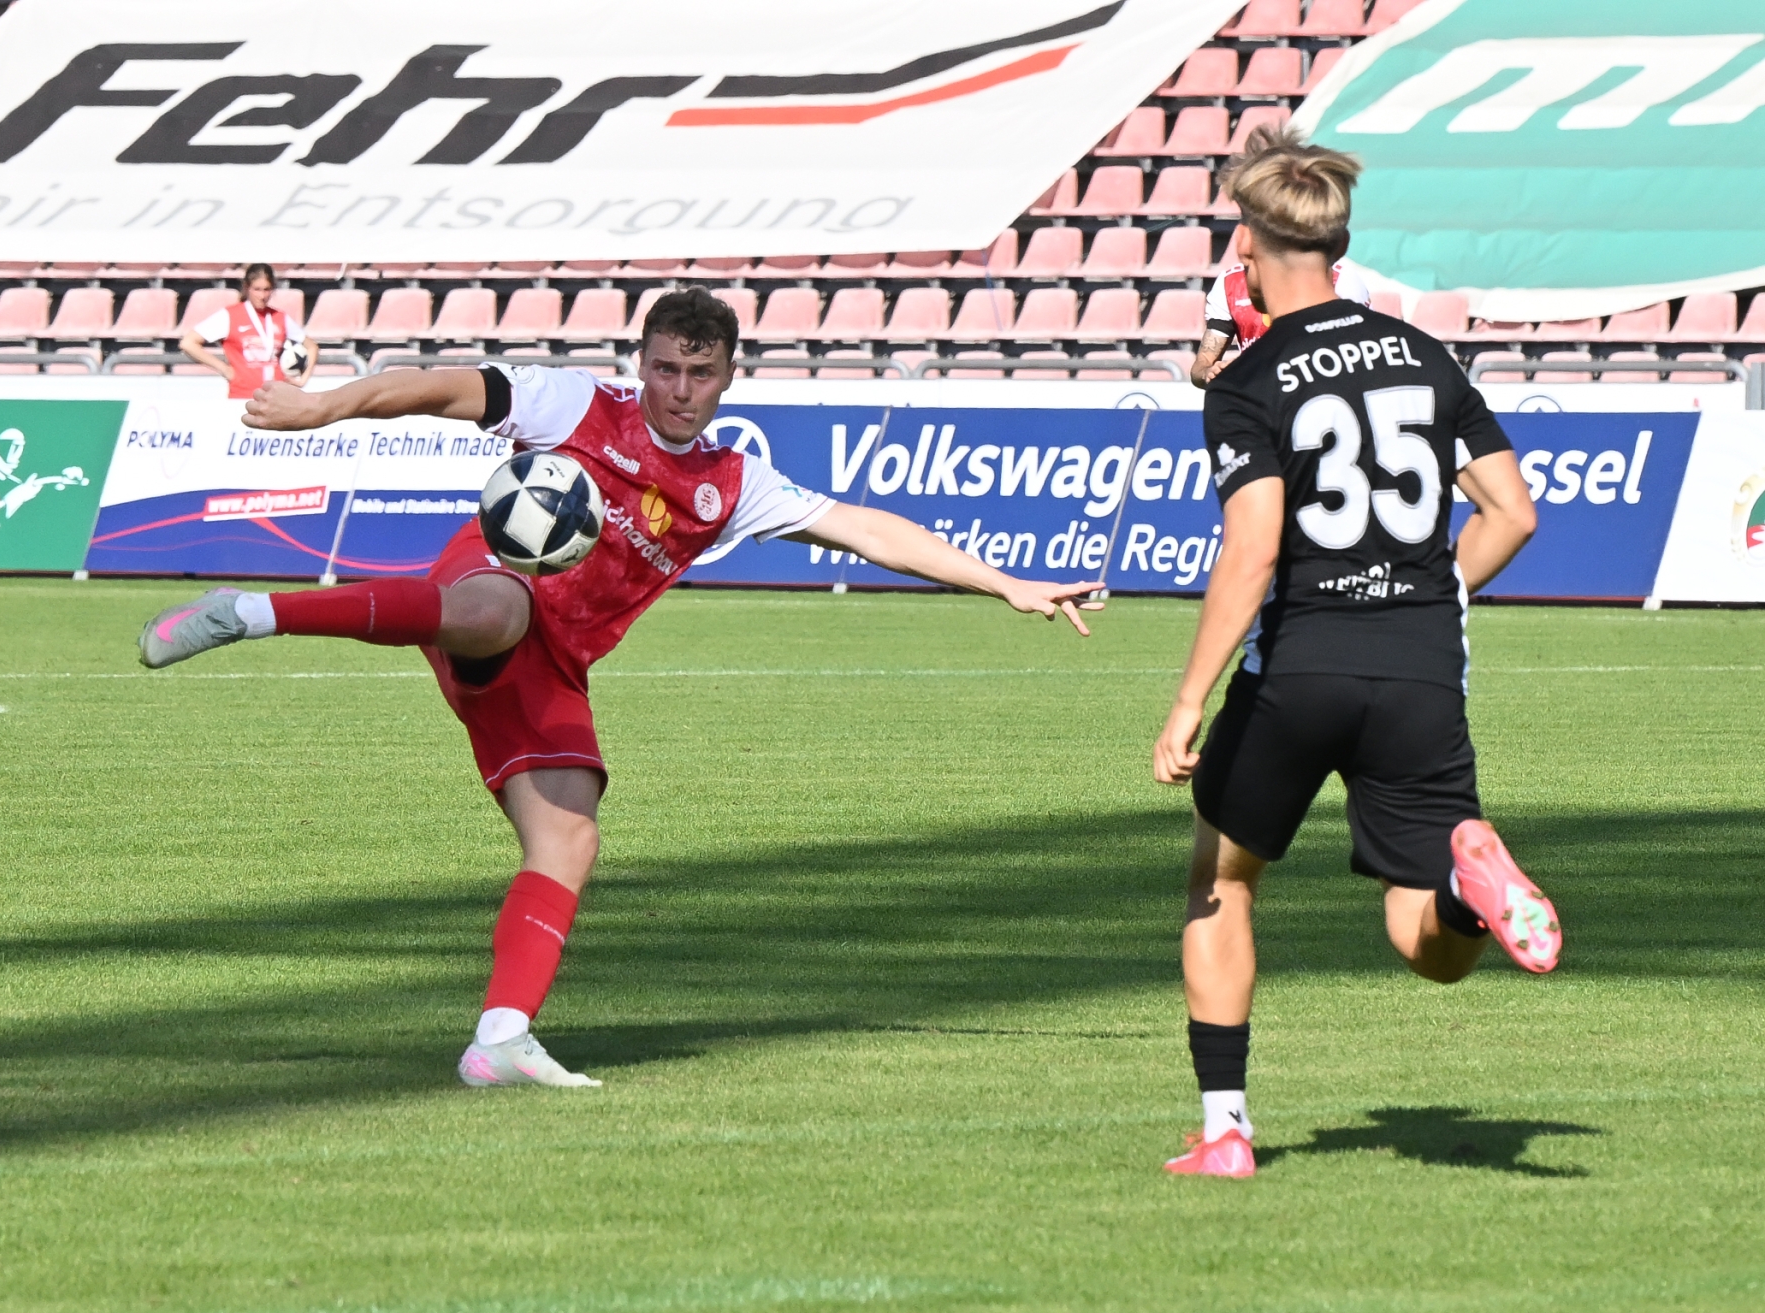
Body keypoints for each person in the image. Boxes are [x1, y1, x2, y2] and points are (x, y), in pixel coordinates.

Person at [136, 289, 1104, 1089]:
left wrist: (1005, 581)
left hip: (556, 660)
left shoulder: (732, 482)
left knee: (570, 836)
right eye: (666, 368)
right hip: (488, 587)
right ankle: (251, 610)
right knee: (492, 611)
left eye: (700, 373)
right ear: (641, 363)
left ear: (728, 376)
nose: (680, 390)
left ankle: (501, 1037)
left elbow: (868, 528)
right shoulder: (574, 404)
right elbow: (438, 385)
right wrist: (324, 406)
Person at [1149, 128, 1560, 1178]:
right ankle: (1470, 889)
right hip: (1420, 667)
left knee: (1222, 879)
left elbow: (1252, 551)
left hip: (1300, 664)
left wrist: (1188, 700)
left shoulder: (1248, 380)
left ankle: (1226, 1131)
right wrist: (1432, 590)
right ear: (1337, 245)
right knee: (1424, 937)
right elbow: (1514, 512)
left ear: (1250, 245)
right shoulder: (1426, 356)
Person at [1190, 158, 1373, 390]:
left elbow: (1359, 364)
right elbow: (1200, 368)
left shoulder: (1342, 281)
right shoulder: (1229, 284)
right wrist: (1210, 373)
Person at [179, 263, 317, 399]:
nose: (262, 295)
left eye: (267, 289)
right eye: (257, 289)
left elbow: (311, 347)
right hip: (242, 395)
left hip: (277, 397)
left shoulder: (280, 317)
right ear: (246, 288)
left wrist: (302, 379)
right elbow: (188, 343)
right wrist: (224, 369)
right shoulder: (230, 315)